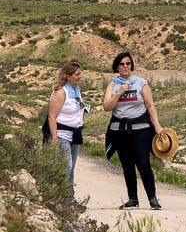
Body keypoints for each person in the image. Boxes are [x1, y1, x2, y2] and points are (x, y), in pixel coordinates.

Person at [102, 52, 165, 210]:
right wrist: (119, 92)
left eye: (128, 64)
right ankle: (132, 199)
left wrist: (157, 125)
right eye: (122, 64)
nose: (125, 66)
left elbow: (150, 106)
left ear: (131, 65)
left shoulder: (141, 83)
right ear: (116, 66)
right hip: (120, 131)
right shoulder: (113, 84)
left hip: (141, 129)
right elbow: (107, 107)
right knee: (127, 165)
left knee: (143, 163)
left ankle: (152, 198)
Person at [47, 60, 87, 198]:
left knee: (71, 169)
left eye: (80, 73)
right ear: (68, 76)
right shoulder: (60, 92)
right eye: (77, 74)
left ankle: (69, 199)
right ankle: (59, 198)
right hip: (62, 134)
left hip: (75, 134)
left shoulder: (76, 89)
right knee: (66, 167)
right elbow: (52, 117)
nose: (79, 77)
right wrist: (54, 138)